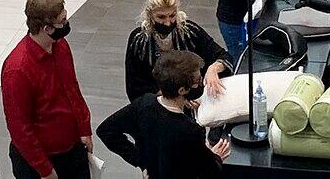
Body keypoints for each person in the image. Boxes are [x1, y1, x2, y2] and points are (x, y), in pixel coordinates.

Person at [1, 0, 93, 179]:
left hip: (72, 151)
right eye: (63, 21)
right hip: (39, 163)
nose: (67, 24)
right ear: (47, 28)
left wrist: (84, 129)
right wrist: (44, 170)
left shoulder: (60, 46)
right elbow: (20, 127)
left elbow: (72, 90)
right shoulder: (17, 70)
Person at [97, 51, 231, 176]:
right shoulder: (190, 130)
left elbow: (106, 130)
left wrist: (141, 161)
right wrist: (216, 157)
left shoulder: (144, 103)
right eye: (198, 81)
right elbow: (206, 171)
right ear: (182, 90)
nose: (201, 83)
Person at [124, 0, 230, 102]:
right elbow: (135, 86)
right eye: (161, 17)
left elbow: (223, 56)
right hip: (159, 103)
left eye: (172, 15)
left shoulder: (190, 32)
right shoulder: (139, 41)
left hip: (196, 99)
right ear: (150, 15)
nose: (168, 22)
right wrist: (175, 99)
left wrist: (213, 69)